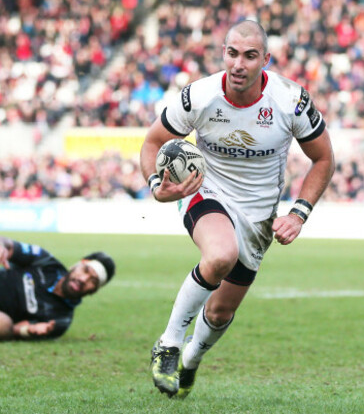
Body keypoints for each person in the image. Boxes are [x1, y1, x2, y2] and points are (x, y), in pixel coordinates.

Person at [140, 20, 335, 398]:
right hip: (207, 192)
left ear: (266, 59)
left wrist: (298, 213)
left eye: (249, 56)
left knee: (219, 313)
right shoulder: (198, 96)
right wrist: (155, 185)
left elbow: (324, 158)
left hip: (259, 216)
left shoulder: (290, 100)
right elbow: (153, 141)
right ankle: (169, 344)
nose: (238, 64)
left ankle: (191, 361)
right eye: (232, 53)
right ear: (222, 53)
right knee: (220, 255)